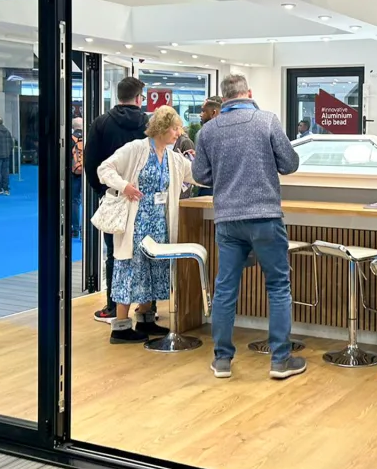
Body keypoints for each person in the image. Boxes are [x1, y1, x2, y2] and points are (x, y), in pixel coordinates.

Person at [192, 74, 304, 381]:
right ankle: (280, 360)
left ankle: (222, 360)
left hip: (227, 219)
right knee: (278, 287)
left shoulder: (208, 131)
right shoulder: (266, 121)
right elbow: (290, 163)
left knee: (226, 288)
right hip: (265, 216)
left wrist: (226, 176)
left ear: (223, 97)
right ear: (249, 93)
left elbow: (200, 173)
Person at [97, 106, 195, 344]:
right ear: (161, 128)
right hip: (137, 220)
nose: (177, 133)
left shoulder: (173, 157)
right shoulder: (135, 149)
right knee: (131, 268)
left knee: (154, 269)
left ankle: (146, 317)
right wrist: (125, 186)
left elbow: (195, 175)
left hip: (160, 221)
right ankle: (120, 326)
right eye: (174, 128)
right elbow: (104, 169)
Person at [84, 76, 149, 323]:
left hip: (114, 196)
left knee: (114, 252)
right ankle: (145, 308)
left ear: (118, 95)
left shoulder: (101, 123)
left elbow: (92, 163)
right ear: (139, 98)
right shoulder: (148, 124)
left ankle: (113, 306)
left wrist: (103, 191)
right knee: (146, 253)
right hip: (144, 199)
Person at [192, 96, 222, 197]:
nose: (201, 115)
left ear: (213, 112)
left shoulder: (203, 133)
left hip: (208, 187)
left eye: (204, 111)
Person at [70, 117, 84, 239]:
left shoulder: (70, 139)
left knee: (74, 200)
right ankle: (86, 228)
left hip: (74, 173)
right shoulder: (88, 138)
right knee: (87, 200)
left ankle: (75, 229)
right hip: (86, 172)